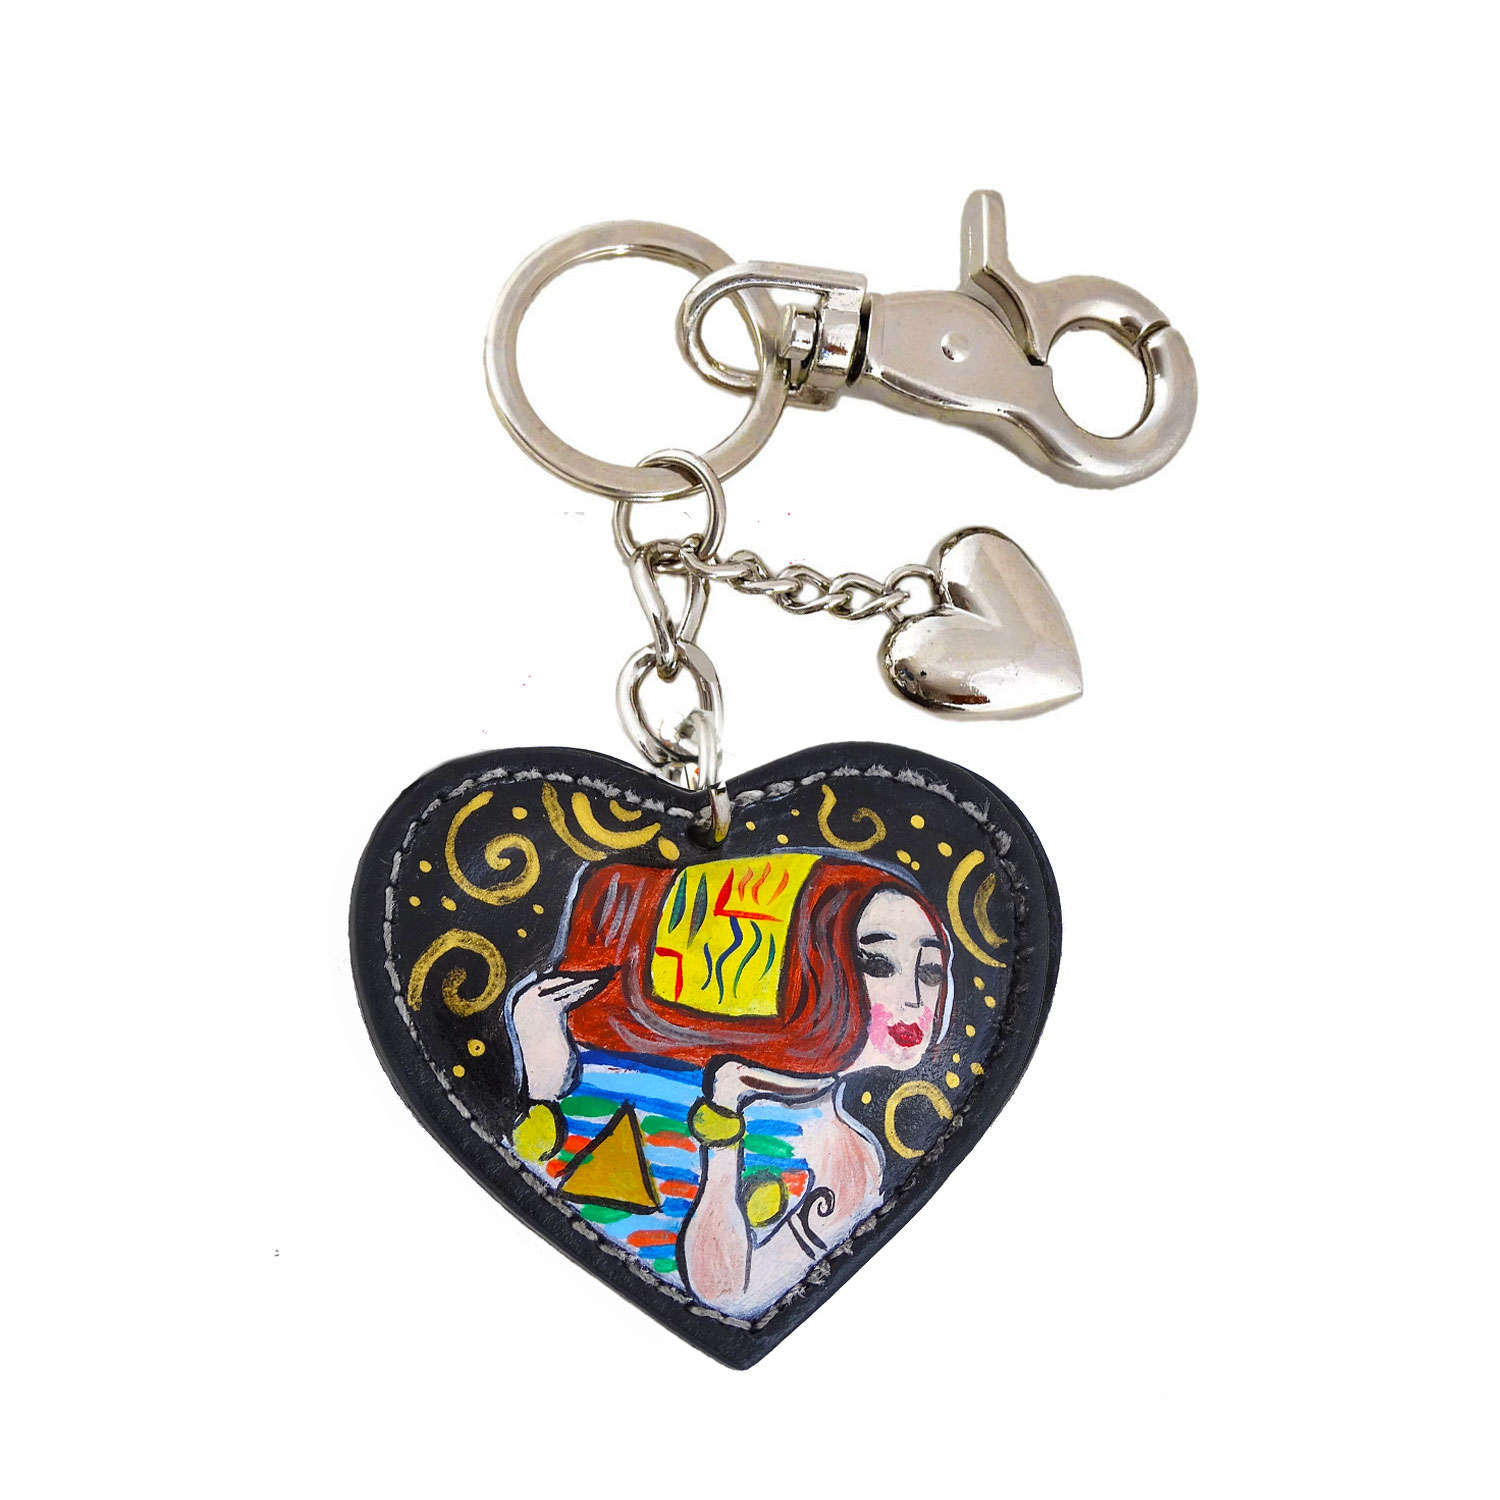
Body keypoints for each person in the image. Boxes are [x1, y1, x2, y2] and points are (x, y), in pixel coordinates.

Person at [506, 853, 951, 1318]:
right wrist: (537, 1040)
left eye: (930, 971)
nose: (914, 1000)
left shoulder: (847, 1161)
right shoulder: (628, 1057)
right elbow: (543, 1155)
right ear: (811, 960)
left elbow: (727, 1294)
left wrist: (725, 1125)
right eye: (878, 963)